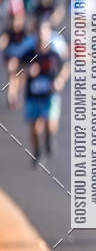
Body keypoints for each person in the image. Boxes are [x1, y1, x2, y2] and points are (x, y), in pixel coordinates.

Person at [18, 15, 69, 163]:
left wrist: (60, 80)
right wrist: (27, 71)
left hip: (49, 94)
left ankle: (49, 138)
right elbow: (18, 70)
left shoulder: (53, 54)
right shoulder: (29, 54)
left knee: (50, 122)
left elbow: (65, 67)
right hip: (32, 94)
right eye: (39, 33)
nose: (42, 36)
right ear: (35, 33)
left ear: (48, 33)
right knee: (34, 127)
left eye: (44, 32)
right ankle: (37, 151)